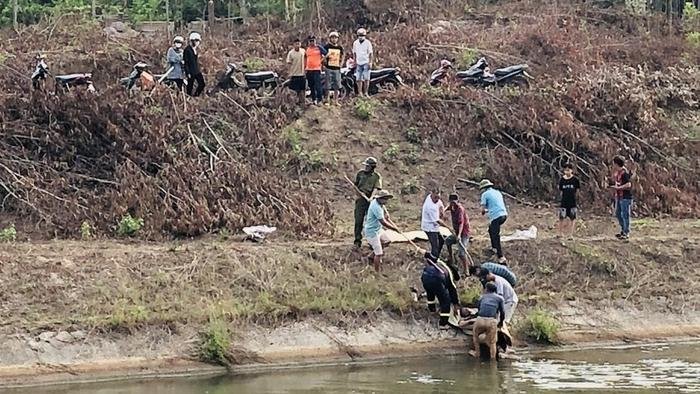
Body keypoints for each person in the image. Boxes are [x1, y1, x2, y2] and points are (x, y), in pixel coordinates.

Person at [421, 252, 460, 329]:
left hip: (425, 276)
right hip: (437, 278)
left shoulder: (441, 264)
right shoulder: (450, 274)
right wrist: (456, 304)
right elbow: (452, 290)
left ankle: (432, 310)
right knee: (446, 301)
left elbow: (431, 257)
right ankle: (443, 324)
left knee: (430, 293)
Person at [363, 190, 400, 272]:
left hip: (378, 229)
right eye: (384, 199)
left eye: (387, 199)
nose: (386, 201)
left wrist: (387, 214)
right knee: (379, 254)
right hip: (371, 232)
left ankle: (371, 256)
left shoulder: (379, 204)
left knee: (387, 241)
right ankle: (377, 272)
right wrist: (395, 229)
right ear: (379, 199)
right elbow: (383, 222)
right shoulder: (376, 207)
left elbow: (386, 217)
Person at [353, 157, 382, 249]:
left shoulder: (376, 176)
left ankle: (372, 241)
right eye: (365, 166)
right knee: (358, 221)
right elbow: (355, 186)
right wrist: (358, 193)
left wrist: (371, 197)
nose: (365, 167)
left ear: (372, 167)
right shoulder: (360, 174)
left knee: (371, 222)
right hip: (360, 200)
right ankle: (357, 241)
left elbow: (376, 188)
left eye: (367, 166)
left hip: (370, 201)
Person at [472, 282, 505, 360]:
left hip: (480, 320)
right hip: (491, 321)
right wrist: (501, 323)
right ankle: (493, 359)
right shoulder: (500, 298)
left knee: (475, 336)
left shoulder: (482, 297)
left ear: (486, 289)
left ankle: (477, 354)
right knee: (493, 342)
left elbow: (479, 309)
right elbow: (502, 312)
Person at [479, 179, 508, 263]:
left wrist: (484, 211)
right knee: (491, 229)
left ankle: (501, 256)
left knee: (496, 235)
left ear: (483, 188)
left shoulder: (485, 194)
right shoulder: (497, 192)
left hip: (496, 216)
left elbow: (483, 210)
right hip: (504, 214)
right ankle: (493, 247)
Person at [444, 193, 471, 271]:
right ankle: (451, 259)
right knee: (448, 241)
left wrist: (459, 235)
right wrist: (443, 211)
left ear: (458, 201)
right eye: (451, 202)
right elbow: (447, 208)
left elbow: (461, 223)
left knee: (462, 253)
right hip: (456, 232)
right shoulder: (452, 207)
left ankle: (467, 270)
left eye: (454, 202)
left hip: (464, 233)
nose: (453, 203)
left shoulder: (460, 209)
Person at [610, 156, 633, 240]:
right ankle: (623, 230)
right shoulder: (618, 173)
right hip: (619, 196)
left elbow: (628, 184)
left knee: (625, 214)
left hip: (625, 197)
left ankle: (626, 232)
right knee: (618, 213)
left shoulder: (624, 173)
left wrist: (619, 188)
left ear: (616, 164)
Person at [421, 188, 447, 259]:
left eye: (438, 197)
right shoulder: (429, 206)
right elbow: (438, 221)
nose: (437, 199)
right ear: (432, 194)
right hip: (429, 228)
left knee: (441, 240)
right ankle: (432, 260)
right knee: (435, 246)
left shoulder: (432, 197)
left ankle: (435, 257)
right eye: (435, 198)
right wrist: (449, 228)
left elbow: (440, 204)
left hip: (434, 227)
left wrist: (442, 210)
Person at [558, 163, 580, 239]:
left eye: (569, 170)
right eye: (566, 170)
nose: (567, 171)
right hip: (564, 201)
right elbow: (560, 190)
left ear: (572, 170)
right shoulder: (562, 180)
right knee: (561, 217)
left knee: (572, 218)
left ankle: (570, 234)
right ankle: (560, 233)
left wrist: (576, 199)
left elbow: (577, 191)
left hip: (572, 201)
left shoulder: (575, 180)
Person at [305, 35, 327, 105]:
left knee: (318, 85)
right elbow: (306, 58)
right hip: (309, 69)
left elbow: (327, 53)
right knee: (311, 85)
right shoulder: (307, 49)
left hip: (316, 69)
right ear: (308, 42)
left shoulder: (319, 47)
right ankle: (313, 99)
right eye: (310, 41)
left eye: (313, 41)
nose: (312, 42)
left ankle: (319, 99)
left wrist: (321, 60)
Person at [324, 31, 344, 105]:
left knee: (337, 85)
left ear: (337, 39)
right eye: (332, 38)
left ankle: (336, 101)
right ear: (330, 38)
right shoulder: (326, 47)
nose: (334, 39)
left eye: (335, 38)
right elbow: (323, 56)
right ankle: (327, 100)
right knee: (327, 85)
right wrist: (325, 63)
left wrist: (341, 64)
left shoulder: (340, 47)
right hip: (328, 68)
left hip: (337, 68)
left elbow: (342, 56)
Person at [352, 28, 373, 97]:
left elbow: (370, 53)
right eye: (359, 35)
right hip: (358, 63)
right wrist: (354, 61)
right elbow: (354, 53)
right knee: (358, 79)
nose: (361, 37)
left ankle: (366, 92)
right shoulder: (355, 43)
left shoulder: (368, 43)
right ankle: (360, 92)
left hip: (366, 62)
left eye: (362, 35)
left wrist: (370, 62)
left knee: (366, 78)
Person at [286, 38, 306, 106]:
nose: (297, 45)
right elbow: (288, 63)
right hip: (294, 74)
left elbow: (306, 59)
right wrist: (289, 73)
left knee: (302, 89)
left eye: (299, 43)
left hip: (302, 74)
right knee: (294, 90)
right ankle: (294, 103)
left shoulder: (303, 51)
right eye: (296, 44)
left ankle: (303, 102)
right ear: (293, 45)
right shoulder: (291, 53)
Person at [183, 32, 205, 97]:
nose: (198, 43)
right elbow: (186, 62)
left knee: (202, 84)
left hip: (196, 70)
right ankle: (189, 97)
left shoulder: (194, 49)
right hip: (191, 71)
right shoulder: (187, 50)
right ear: (193, 41)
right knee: (190, 86)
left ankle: (195, 96)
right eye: (197, 41)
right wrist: (188, 72)